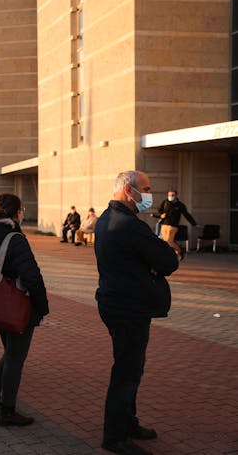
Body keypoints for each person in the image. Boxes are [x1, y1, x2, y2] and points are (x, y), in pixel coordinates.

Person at [95, 171, 179, 455]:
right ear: (129, 191)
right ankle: (115, 436)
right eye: (146, 188)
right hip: (128, 307)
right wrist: (155, 262)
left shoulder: (108, 217)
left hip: (115, 302)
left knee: (130, 368)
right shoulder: (129, 225)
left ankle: (128, 423)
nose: (149, 195)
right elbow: (168, 260)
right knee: (127, 372)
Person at [0, 193, 49, 427]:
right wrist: (42, 305)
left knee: (10, 353)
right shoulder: (15, 238)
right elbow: (32, 275)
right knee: (15, 358)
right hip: (17, 306)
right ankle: (7, 410)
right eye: (22, 209)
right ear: (16, 212)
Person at [155, 189, 196, 260]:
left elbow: (186, 215)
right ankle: (171, 255)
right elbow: (160, 209)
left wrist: (193, 223)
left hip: (173, 225)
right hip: (164, 224)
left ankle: (180, 251)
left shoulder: (180, 205)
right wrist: (161, 215)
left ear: (176, 195)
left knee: (169, 241)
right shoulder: (165, 202)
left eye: (172, 195)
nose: (170, 196)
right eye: (169, 195)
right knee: (165, 242)